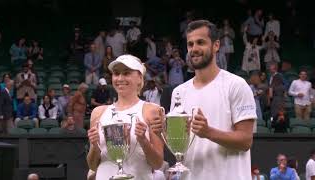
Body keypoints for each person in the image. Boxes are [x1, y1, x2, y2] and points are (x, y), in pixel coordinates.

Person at [170, 20, 256, 179]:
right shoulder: (178, 92)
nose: (194, 49)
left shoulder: (236, 85)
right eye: (190, 44)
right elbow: (180, 145)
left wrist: (208, 132)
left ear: (216, 46)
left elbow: (245, 140)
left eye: (200, 42)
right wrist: (161, 130)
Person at [87, 54, 164, 180]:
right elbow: (92, 165)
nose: (120, 78)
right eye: (116, 73)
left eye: (126, 73)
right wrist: (95, 146)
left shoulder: (152, 111)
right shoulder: (98, 113)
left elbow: (157, 163)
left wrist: (144, 141)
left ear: (140, 78)